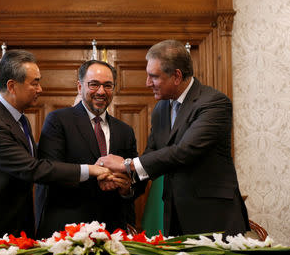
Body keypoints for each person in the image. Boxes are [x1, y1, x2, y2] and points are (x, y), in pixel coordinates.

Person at [97, 40, 250, 236]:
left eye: (154, 76)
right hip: (174, 218)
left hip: (214, 218)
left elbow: (184, 152)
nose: (147, 83)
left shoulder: (214, 103)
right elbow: (153, 154)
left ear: (177, 76)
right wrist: (128, 185)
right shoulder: (162, 108)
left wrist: (127, 165)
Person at [0, 50, 110, 240]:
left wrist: (73, 124)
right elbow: (32, 168)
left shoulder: (19, 120)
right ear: (12, 86)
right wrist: (91, 170)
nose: (40, 89)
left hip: (13, 230)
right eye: (34, 83)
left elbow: (36, 157)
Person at [35, 60, 146, 238]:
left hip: (113, 232)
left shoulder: (125, 131)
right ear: (80, 87)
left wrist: (126, 188)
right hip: (68, 232)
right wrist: (95, 172)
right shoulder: (58, 121)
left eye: (107, 85)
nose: (101, 91)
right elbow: (49, 171)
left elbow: (137, 178)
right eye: (94, 84)